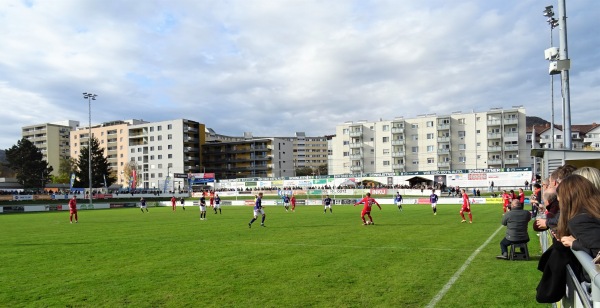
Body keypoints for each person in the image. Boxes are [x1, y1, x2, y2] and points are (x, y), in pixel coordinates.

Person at [557, 174, 600, 259]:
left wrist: (575, 244)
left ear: (567, 199)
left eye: (559, 198)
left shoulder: (581, 221)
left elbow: (597, 253)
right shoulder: (593, 212)